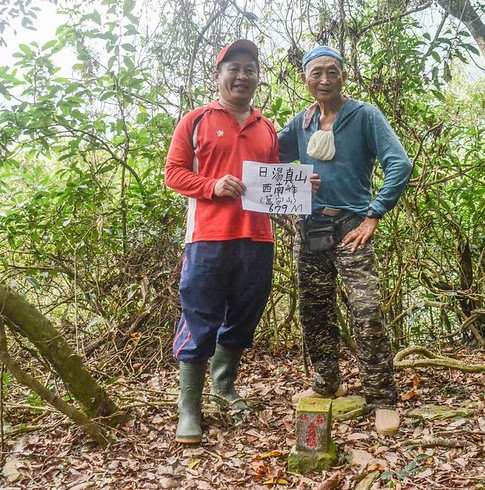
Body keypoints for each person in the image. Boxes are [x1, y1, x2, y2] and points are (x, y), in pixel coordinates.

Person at [278, 45, 412, 436]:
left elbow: (398, 164)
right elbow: (269, 155)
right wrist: (292, 189)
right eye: (315, 72)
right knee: (314, 310)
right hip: (310, 228)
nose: (323, 79)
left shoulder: (364, 115)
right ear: (304, 78)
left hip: (352, 226)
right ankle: (326, 382)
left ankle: (382, 396)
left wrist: (374, 214)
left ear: (343, 76)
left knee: (366, 310)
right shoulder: (300, 123)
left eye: (331, 71)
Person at [165, 39, 278, 444]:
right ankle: (189, 408)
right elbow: (174, 174)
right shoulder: (195, 120)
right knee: (200, 316)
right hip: (207, 238)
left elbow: (273, 180)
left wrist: (302, 185)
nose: (242, 76)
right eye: (234, 68)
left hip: (258, 238)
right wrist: (213, 186)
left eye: (250, 69)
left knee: (246, 314)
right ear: (218, 75)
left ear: (257, 78)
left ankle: (224, 385)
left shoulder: (267, 127)